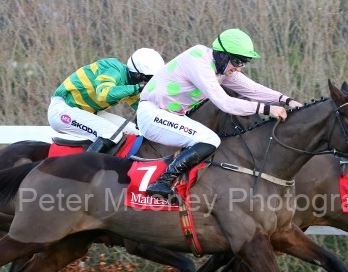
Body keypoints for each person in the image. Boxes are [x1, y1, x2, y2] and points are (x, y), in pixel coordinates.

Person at [137, 28, 303, 200]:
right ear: (222, 55)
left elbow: (253, 89)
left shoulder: (220, 68)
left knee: (212, 140)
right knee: (210, 140)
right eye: (237, 61)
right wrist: (267, 109)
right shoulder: (198, 61)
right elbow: (225, 103)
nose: (239, 68)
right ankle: (162, 182)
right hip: (152, 115)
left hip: (171, 116)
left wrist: (286, 100)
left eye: (243, 63)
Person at [48, 48, 165, 153]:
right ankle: (86, 171)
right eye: (149, 79)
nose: (149, 83)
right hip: (62, 109)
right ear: (138, 75)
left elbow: (143, 108)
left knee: (135, 133)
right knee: (111, 134)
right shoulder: (113, 68)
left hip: (87, 112)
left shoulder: (131, 84)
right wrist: (137, 88)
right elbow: (104, 94)